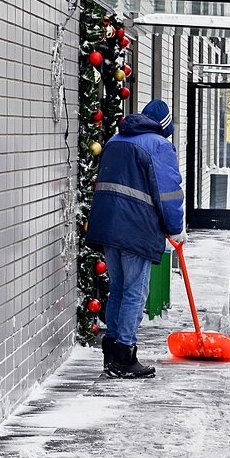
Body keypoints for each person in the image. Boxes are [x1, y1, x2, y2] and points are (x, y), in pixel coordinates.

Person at [86, 99, 185, 379]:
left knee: (118, 288)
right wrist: (175, 227)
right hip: (135, 229)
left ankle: (112, 348)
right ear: (165, 126)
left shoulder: (116, 140)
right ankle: (124, 355)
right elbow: (168, 193)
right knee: (135, 291)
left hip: (107, 225)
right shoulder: (159, 145)